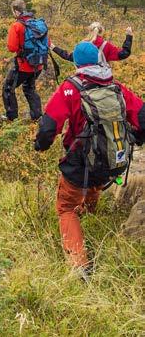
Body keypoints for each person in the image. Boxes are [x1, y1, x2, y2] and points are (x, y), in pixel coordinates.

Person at [34, 41, 145, 276]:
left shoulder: (70, 88)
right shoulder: (117, 87)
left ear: (76, 63)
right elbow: (143, 116)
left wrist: (41, 146)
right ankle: (91, 215)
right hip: (112, 160)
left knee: (66, 208)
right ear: (99, 61)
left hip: (80, 161)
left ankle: (79, 265)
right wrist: (137, 137)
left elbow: (48, 126)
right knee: (94, 182)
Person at [2, 0, 46, 122]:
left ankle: (11, 117)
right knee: (29, 87)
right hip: (38, 64)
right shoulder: (38, 24)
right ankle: (37, 117)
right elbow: (47, 42)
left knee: (8, 87)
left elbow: (12, 47)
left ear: (16, 11)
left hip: (23, 66)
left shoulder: (17, 25)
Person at [53, 22, 132, 66]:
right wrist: (129, 36)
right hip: (102, 79)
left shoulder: (83, 46)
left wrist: (53, 47)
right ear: (102, 32)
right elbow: (124, 54)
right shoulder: (106, 46)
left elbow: (69, 57)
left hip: (84, 80)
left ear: (89, 31)